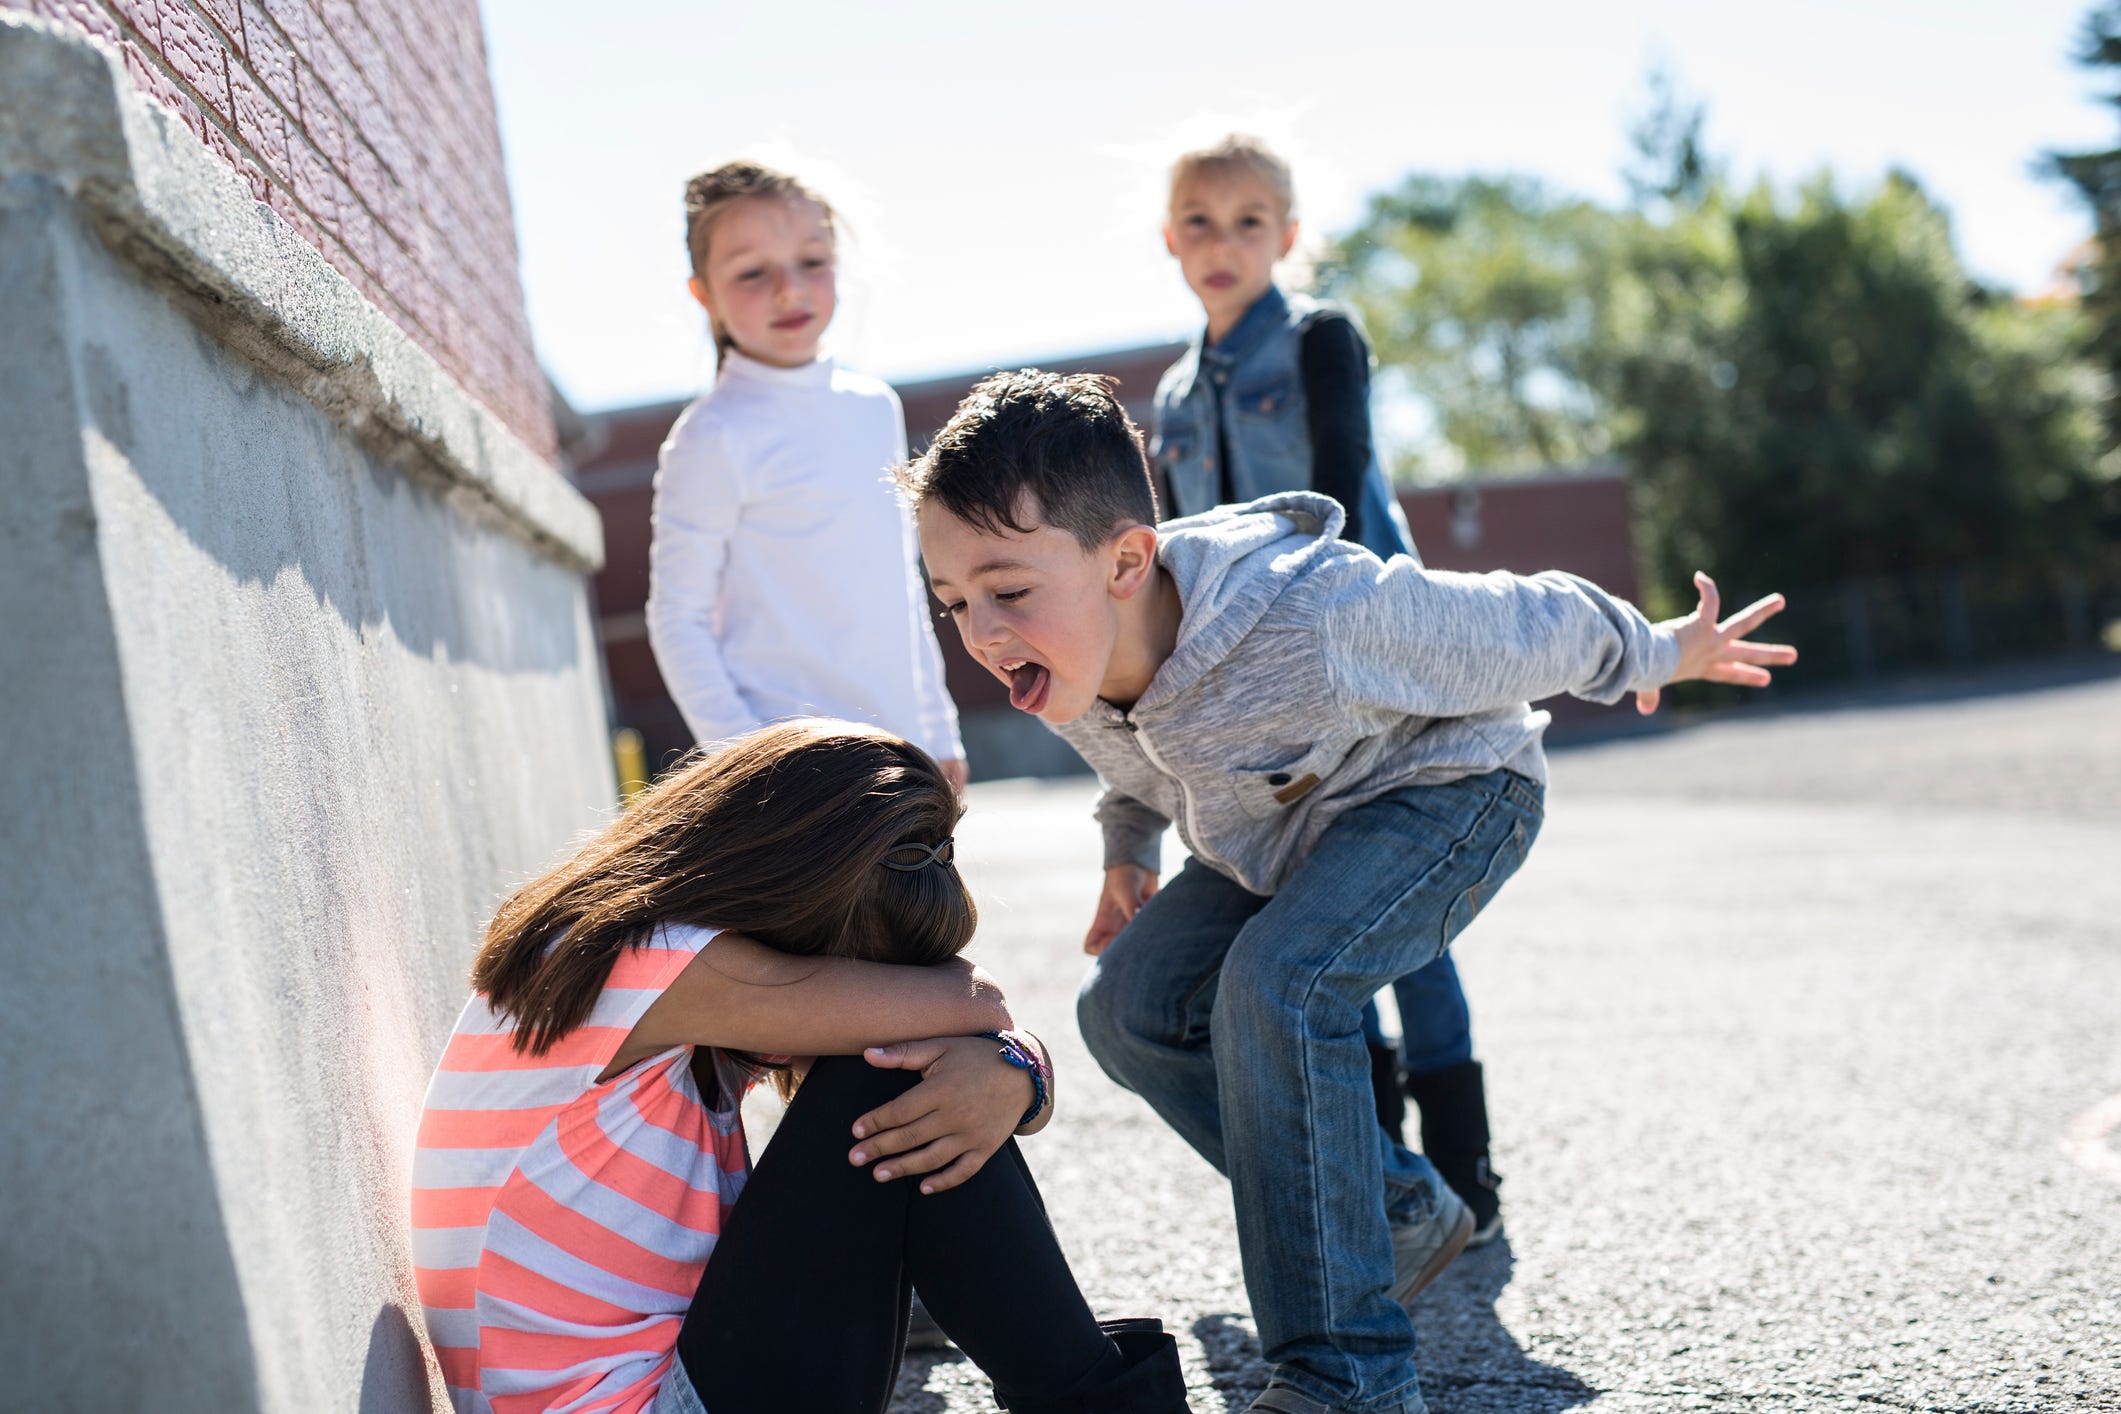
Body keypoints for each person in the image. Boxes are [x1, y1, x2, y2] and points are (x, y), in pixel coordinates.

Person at [901, 371, 1794, 1414]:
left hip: (1451, 793)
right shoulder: (1063, 651)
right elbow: (1134, 762)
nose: (982, 631)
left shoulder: (1315, 615)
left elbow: (1522, 619)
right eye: (953, 601)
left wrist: (1656, 648)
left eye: (1006, 590)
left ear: (1126, 562)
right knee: (1127, 1012)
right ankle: (1393, 1206)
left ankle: (1352, 1376)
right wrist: (1126, 850)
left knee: (1277, 985)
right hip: (1284, 835)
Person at [410, 720, 1192, 1414]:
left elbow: (979, 1026)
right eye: (856, 971)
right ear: (790, 895)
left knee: (915, 1075)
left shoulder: (634, 966)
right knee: (890, 1074)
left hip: (668, 1381)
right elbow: (976, 1002)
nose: (863, 996)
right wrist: (1008, 1059)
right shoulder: (649, 963)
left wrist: (1016, 1071)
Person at [1149, 135, 1499, 1239]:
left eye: (1250, 220)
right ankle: (1390, 1181)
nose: (1224, 242)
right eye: (1200, 221)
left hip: (1370, 664)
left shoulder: (1318, 339)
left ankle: (1466, 1170)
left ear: (1289, 237)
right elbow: (1176, 551)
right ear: (1169, 239)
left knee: (1408, 927)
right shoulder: (1168, 393)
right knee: (1313, 918)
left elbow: (1342, 486)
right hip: (1255, 696)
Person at [646, 161, 967, 792]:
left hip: (903, 756)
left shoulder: (875, 406)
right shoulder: (712, 435)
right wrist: (748, 761)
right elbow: (676, 617)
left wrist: (939, 729)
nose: (789, 290)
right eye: (752, 272)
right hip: (793, 778)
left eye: (811, 261)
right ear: (703, 293)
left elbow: (902, 586)